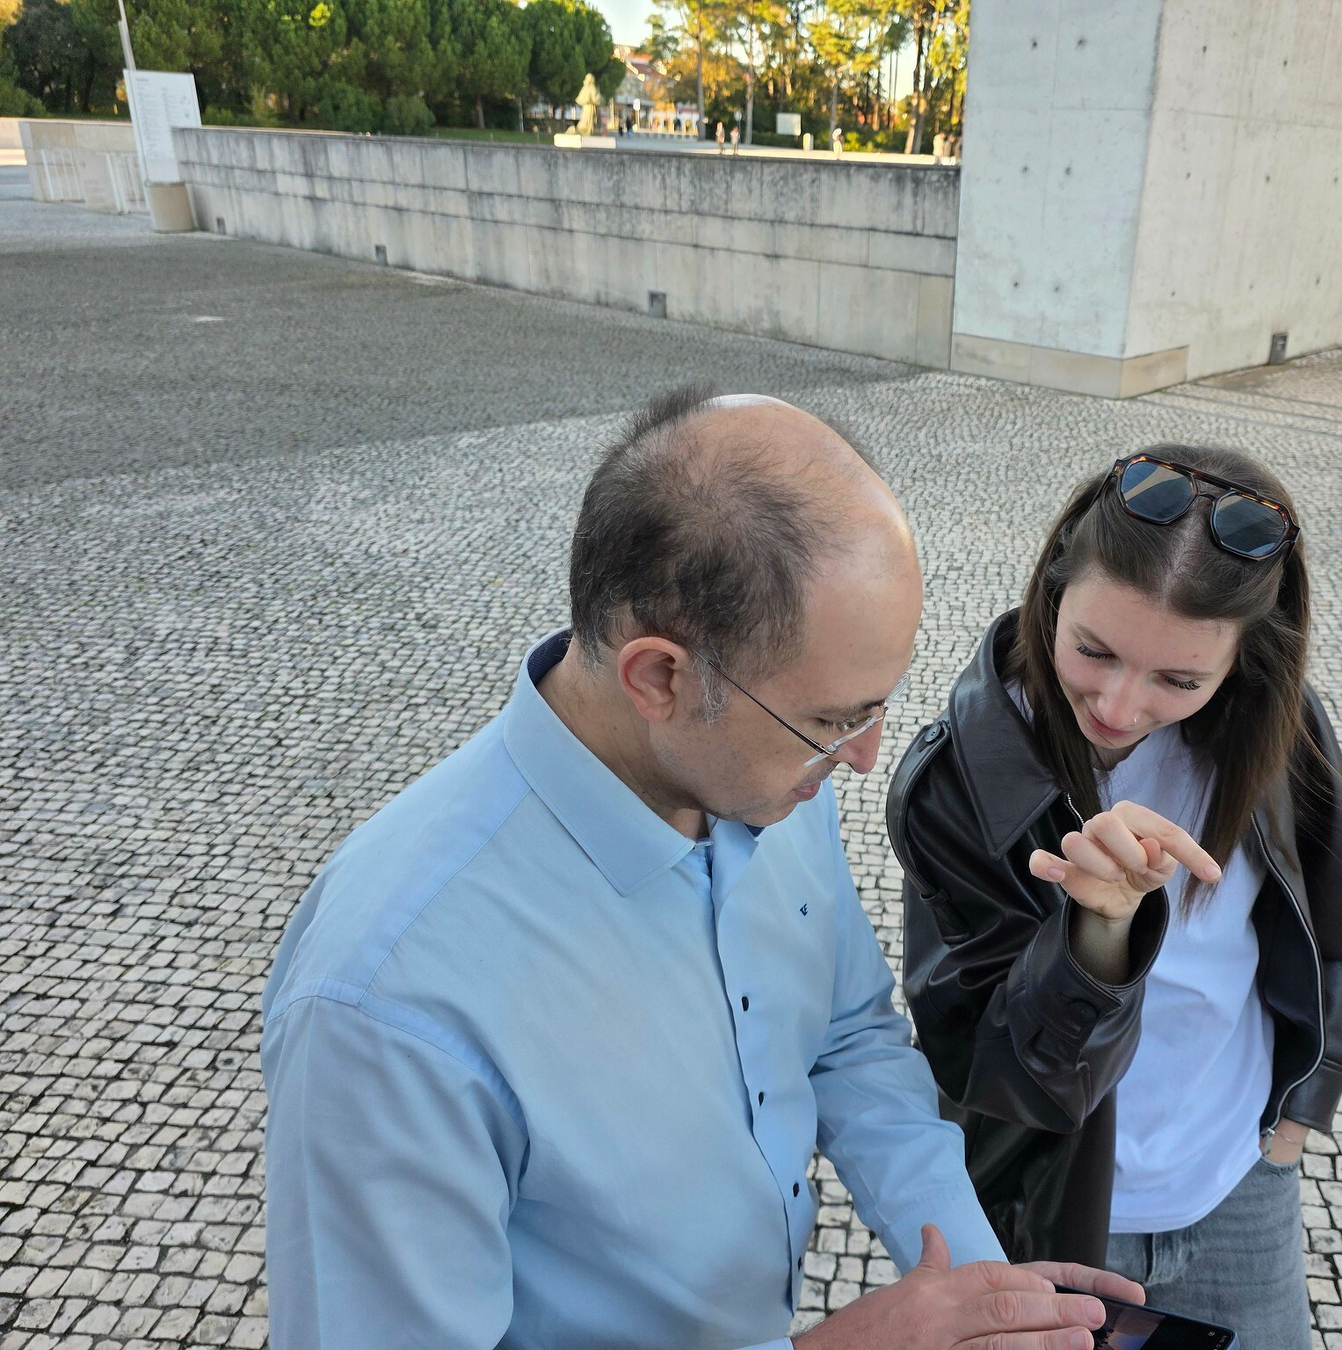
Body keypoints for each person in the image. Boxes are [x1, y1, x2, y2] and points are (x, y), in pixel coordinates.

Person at [259, 388, 1141, 1350]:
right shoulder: (386, 1003)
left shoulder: (759, 776)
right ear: (660, 678)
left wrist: (982, 1293)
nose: (863, 757)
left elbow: (847, 1036)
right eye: (834, 720)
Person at [889, 444, 1342, 1349]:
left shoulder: (1279, 733)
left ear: (1244, 662)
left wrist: (1294, 1120)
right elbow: (992, 1070)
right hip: (1061, 1211)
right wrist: (1100, 936)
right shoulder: (963, 776)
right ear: (1053, 589)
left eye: (1180, 680)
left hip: (1240, 1183)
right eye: (1094, 651)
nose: (1120, 708)